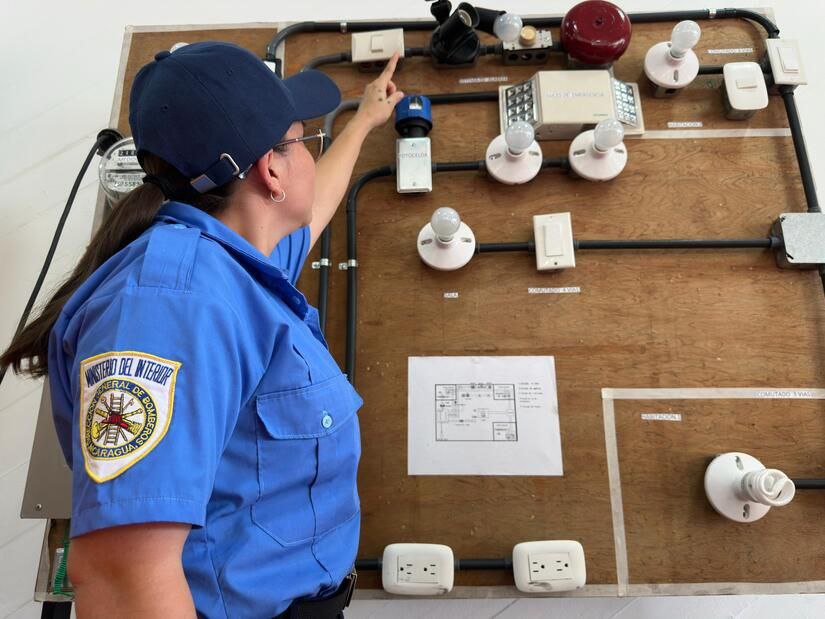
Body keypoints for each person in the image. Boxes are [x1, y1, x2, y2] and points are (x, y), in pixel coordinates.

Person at [0, 41, 405, 618]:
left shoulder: (237, 267)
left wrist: (364, 120)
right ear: (271, 170)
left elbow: (313, 210)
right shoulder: (170, 307)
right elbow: (123, 579)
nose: (312, 157)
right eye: (305, 140)